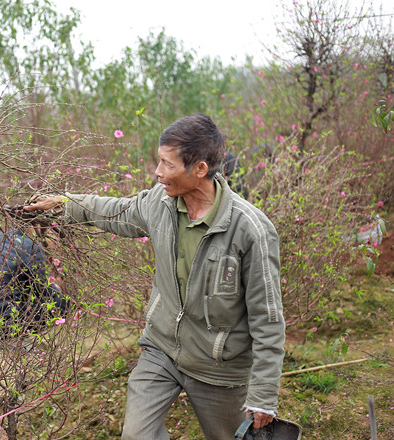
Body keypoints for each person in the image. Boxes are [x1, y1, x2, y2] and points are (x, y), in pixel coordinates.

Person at [24, 113, 285, 439]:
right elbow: (115, 211)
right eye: (158, 162)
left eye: (167, 164)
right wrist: (64, 203)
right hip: (162, 350)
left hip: (219, 368)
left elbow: (268, 319)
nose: (158, 173)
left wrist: (262, 395)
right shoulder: (160, 203)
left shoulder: (252, 231)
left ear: (200, 169)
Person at [0, 226, 69, 332]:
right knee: (64, 303)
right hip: (3, 320)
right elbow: (44, 292)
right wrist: (58, 287)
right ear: (37, 224)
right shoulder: (30, 245)